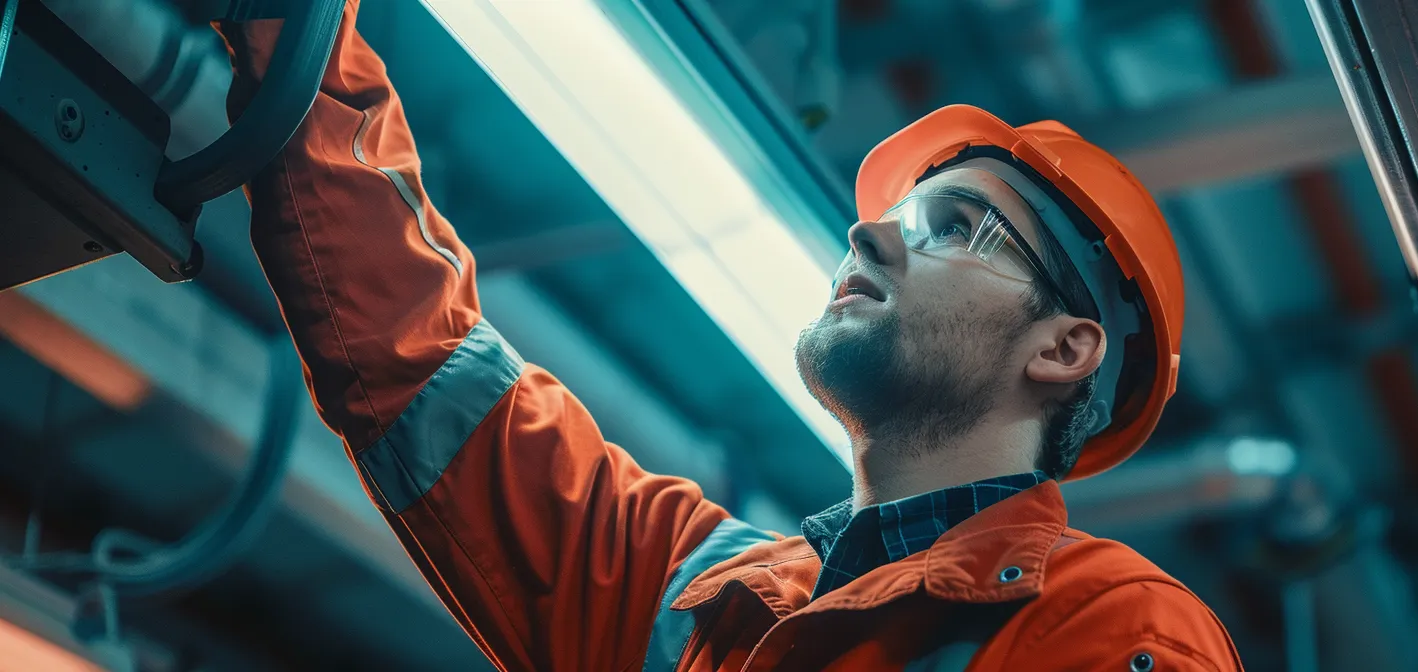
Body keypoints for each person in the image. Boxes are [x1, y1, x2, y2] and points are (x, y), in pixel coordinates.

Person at [217, 2, 1241, 670]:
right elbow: (417, 364)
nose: (870, 229)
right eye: (902, 213)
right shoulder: (697, 600)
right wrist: (293, 22)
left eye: (957, 228)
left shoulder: (1116, 631)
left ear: (1062, 349)